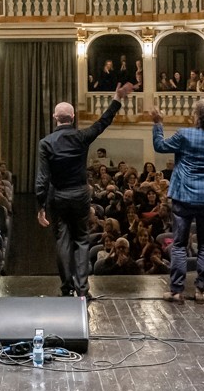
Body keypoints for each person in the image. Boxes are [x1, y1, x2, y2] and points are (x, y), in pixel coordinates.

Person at [36, 82, 133, 299]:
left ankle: (66, 287)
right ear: (73, 117)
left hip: (58, 195)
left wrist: (40, 205)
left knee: (62, 240)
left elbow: (42, 178)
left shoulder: (46, 143)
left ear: (55, 117)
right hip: (80, 194)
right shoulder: (81, 137)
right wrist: (117, 99)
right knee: (81, 240)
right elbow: (103, 122)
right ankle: (82, 289)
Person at [152, 98, 204, 304]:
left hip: (184, 195)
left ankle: (176, 290)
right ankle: (201, 291)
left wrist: (158, 123)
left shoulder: (184, 135)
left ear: (198, 117)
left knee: (178, 244)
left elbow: (160, 146)